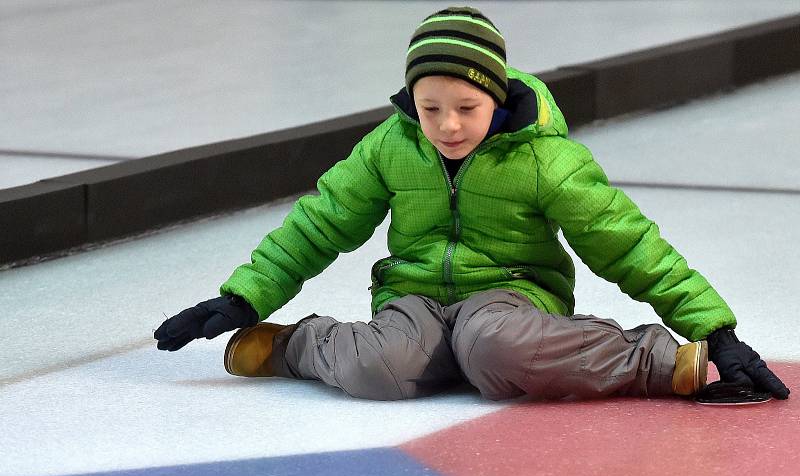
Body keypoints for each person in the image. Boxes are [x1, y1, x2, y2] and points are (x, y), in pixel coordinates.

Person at [155, 6, 789, 403]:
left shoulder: (541, 158)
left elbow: (622, 240)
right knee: (383, 366)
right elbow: (322, 222)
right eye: (430, 108)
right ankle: (292, 347)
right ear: (411, 99)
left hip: (512, 298)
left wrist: (713, 330)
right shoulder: (389, 148)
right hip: (416, 297)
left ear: (497, 97)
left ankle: (651, 360)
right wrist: (244, 297)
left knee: (497, 350)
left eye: (467, 108)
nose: (448, 126)